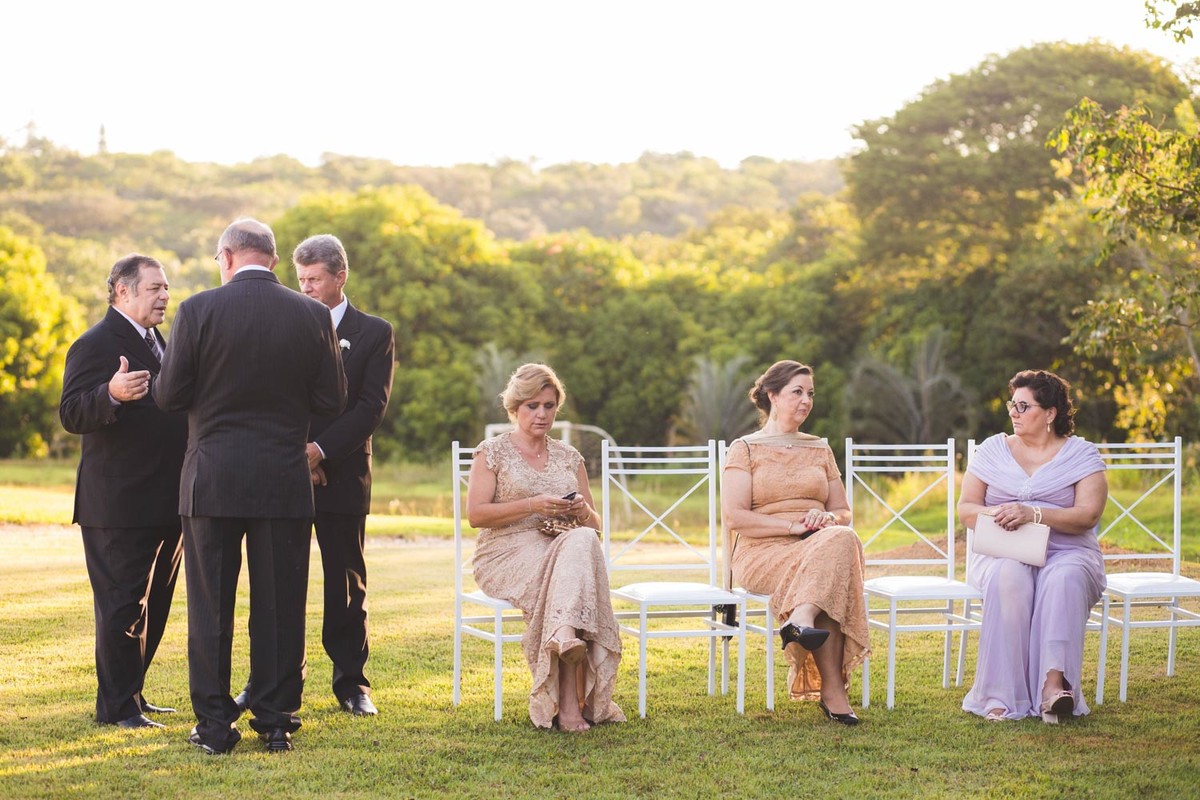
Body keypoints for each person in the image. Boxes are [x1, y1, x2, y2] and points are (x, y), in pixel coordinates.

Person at [154, 218, 346, 755]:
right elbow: (332, 400)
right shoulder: (311, 314)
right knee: (281, 603)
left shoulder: (196, 310)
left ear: (226, 256)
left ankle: (215, 727)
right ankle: (276, 720)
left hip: (212, 478)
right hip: (283, 480)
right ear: (275, 261)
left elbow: (169, 397)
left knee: (211, 606)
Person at [233, 234, 395, 717]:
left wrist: (320, 452)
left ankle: (351, 683)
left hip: (343, 475)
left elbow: (370, 407)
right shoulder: (285, 323)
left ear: (339, 277)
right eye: (299, 279)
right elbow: (270, 395)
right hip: (285, 473)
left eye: (314, 280)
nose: (304, 289)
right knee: (278, 582)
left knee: (346, 582)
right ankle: (273, 681)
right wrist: (295, 455)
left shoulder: (375, 332)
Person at [59, 254, 187, 730]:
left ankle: (132, 694)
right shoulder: (93, 344)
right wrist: (110, 393)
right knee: (122, 607)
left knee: (155, 604)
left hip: (167, 500)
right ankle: (116, 709)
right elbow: (71, 412)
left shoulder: (158, 341)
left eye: (167, 288)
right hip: (116, 503)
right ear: (122, 291)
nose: (164, 296)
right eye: (154, 288)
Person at [466, 363, 625, 732]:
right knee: (573, 572)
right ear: (515, 408)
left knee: (582, 540)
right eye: (532, 406)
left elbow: (595, 526)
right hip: (505, 551)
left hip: (563, 547)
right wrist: (532, 505)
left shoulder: (569, 456)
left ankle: (563, 641)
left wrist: (582, 510)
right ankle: (569, 702)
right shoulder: (491, 452)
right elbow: (476, 515)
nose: (541, 414)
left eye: (549, 406)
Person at [721, 360, 869, 725]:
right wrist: (792, 527)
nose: (806, 400)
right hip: (763, 551)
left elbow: (843, 512)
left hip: (820, 545)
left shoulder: (819, 448)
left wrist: (826, 518)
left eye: (811, 393)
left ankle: (802, 619)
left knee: (841, 538)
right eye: (797, 392)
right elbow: (734, 517)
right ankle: (833, 692)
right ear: (772, 395)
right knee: (835, 563)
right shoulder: (745, 449)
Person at [958, 369, 1107, 723]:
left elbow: (1087, 515)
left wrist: (1034, 513)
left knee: (1064, 579)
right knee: (1008, 576)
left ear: (1050, 413)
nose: (1014, 412)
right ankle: (1000, 694)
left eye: (1024, 406)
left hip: (1068, 551)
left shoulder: (1082, 454)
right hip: (1005, 550)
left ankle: (1053, 688)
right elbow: (966, 508)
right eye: (1013, 404)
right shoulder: (992, 450)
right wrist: (1002, 514)